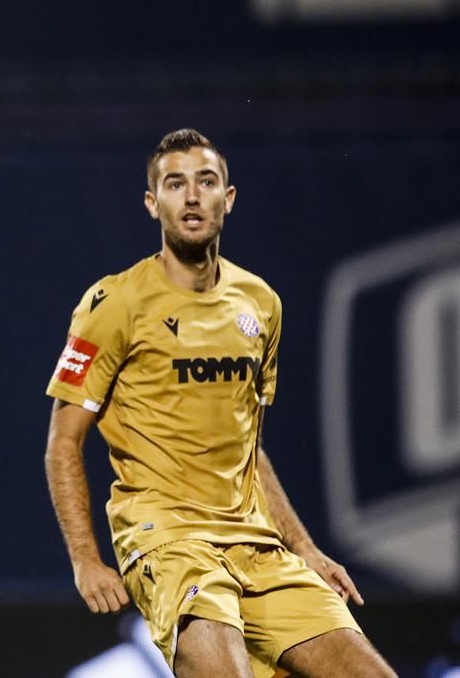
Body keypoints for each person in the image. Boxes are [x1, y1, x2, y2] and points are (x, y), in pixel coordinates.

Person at [43, 129, 395, 678]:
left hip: (257, 547)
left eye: (205, 182)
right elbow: (64, 441)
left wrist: (304, 546)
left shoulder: (260, 303)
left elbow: (248, 444)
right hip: (169, 542)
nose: (190, 196)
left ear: (227, 199)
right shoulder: (113, 303)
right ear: (151, 203)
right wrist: (85, 560)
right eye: (174, 183)